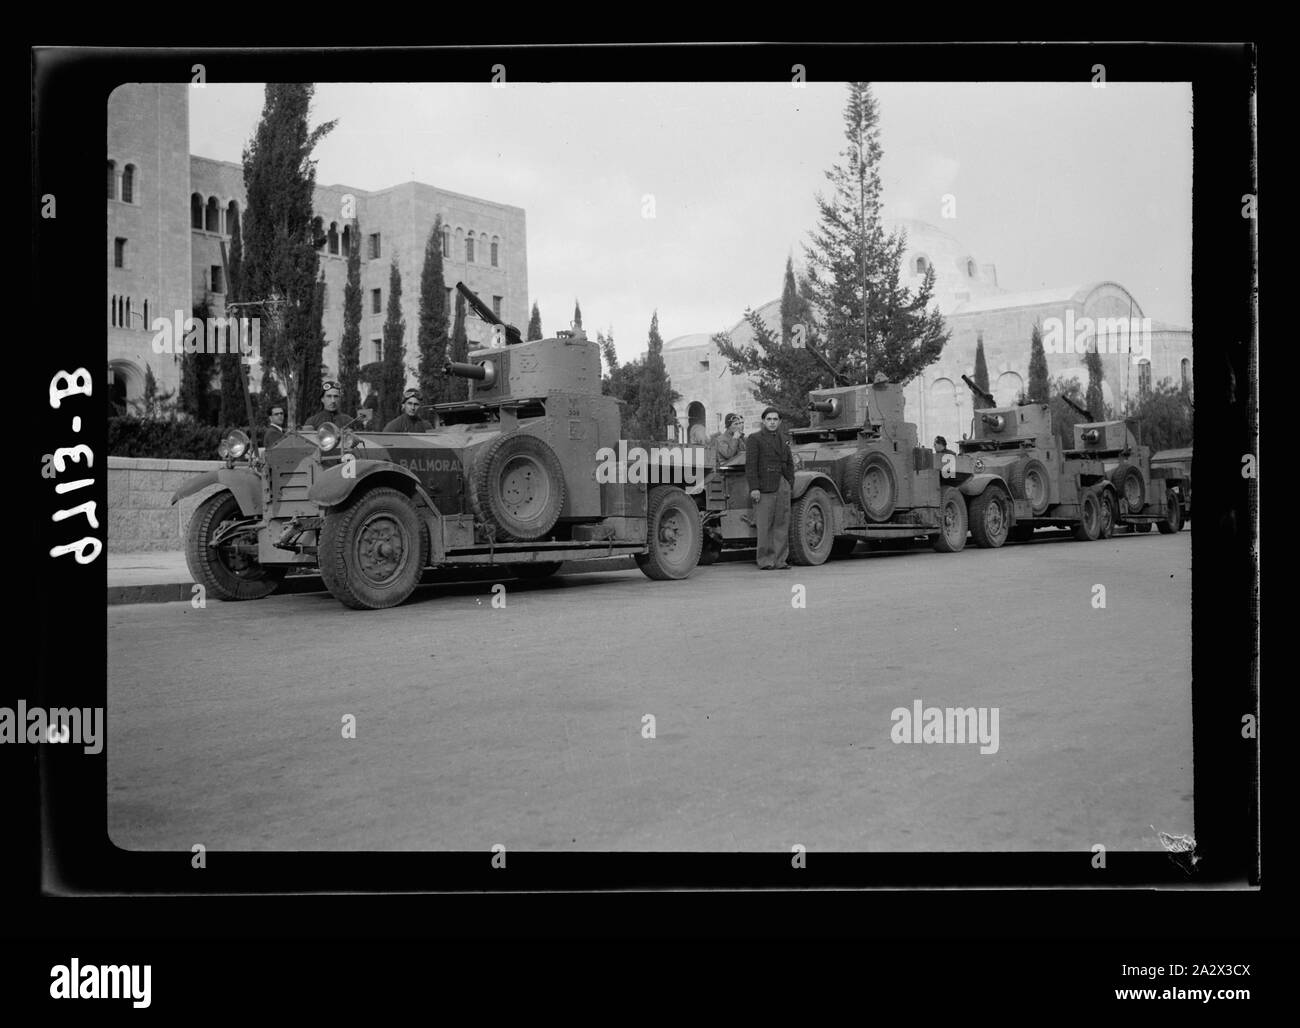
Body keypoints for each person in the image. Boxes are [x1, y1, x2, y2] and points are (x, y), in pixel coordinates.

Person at [746, 406, 795, 570]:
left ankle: (780, 560)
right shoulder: (755, 439)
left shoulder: (783, 439)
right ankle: (765, 560)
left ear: (779, 422)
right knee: (764, 525)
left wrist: (789, 483)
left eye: (775, 419)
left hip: (782, 485)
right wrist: (754, 488)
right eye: (769, 419)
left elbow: (789, 463)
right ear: (763, 421)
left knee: (781, 524)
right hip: (764, 487)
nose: (772, 422)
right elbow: (751, 465)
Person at [303, 381, 372, 430]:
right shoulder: (312, 422)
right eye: (329, 396)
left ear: (340, 399)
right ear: (322, 399)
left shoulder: (349, 421)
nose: (333, 401)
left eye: (336, 396)